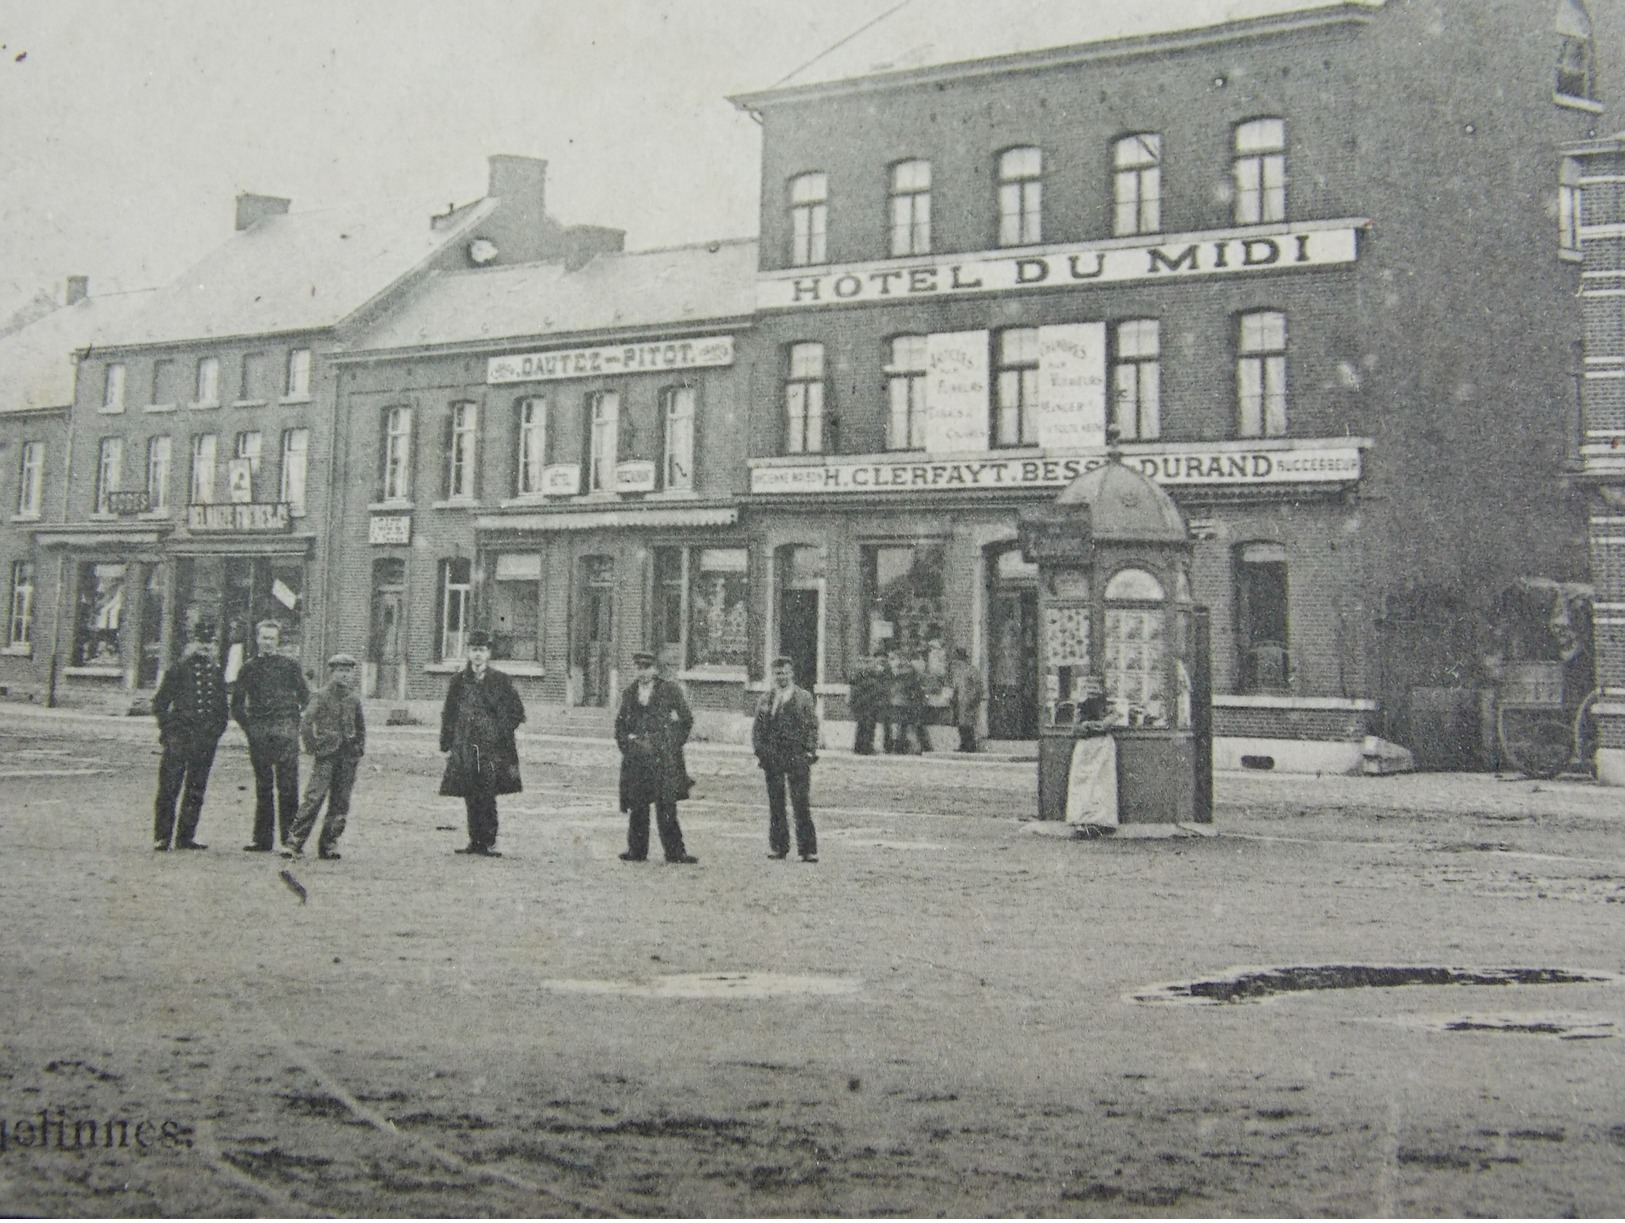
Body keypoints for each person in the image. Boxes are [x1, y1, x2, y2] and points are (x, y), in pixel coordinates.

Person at [438, 629, 526, 857]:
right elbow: (449, 713)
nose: (478, 655)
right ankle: (473, 840)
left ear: (489, 654)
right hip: (466, 746)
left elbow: (517, 712)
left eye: (482, 650)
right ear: (468, 653)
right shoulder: (459, 681)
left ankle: (488, 840)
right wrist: (447, 742)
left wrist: (499, 731)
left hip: (491, 749)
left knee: (487, 792)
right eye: (474, 650)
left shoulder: (501, 681)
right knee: (469, 791)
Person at [231, 620, 310, 852]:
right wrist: (251, 728)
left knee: (288, 786)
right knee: (263, 786)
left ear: (278, 641)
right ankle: (262, 840)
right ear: (257, 639)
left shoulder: (290, 666)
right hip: (260, 733)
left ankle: (290, 839)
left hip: (285, 731)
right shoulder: (248, 669)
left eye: (272, 639)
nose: (268, 643)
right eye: (264, 638)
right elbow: (236, 705)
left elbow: (305, 697)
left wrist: (293, 723)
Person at [151, 619, 229, 851]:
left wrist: (215, 732)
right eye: (201, 642)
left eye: (209, 642)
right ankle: (162, 836)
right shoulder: (179, 669)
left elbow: (222, 707)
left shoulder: (216, 672)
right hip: (180, 737)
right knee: (169, 787)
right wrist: (170, 730)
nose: (205, 647)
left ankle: (186, 836)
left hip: (204, 739)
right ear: (192, 643)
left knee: (196, 788)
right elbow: (160, 703)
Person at [614, 650, 698, 864]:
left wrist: (672, 743)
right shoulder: (630, 693)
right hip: (637, 758)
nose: (642, 672)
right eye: (639, 668)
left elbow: (686, 719)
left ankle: (675, 851)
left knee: (666, 804)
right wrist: (628, 746)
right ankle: (637, 850)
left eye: (647, 668)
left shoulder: (669, 690)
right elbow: (620, 725)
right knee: (638, 805)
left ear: (655, 669)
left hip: (663, 758)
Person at [283, 654, 364, 860]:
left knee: (340, 801)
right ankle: (294, 842)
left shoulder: (353, 699)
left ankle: (329, 844)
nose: (344, 675)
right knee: (314, 797)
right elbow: (306, 724)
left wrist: (358, 749)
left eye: (348, 671)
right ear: (332, 672)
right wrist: (313, 747)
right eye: (340, 671)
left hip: (347, 757)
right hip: (326, 755)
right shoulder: (320, 696)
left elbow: (360, 728)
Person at [754, 655, 819, 862]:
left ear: (792, 674)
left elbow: (812, 726)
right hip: (773, 756)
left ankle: (807, 849)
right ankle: (779, 846)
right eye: (778, 673)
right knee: (776, 803)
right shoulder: (766, 699)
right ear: (773, 675)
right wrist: (761, 751)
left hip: (797, 755)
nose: (781, 677)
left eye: (785, 672)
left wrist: (809, 750)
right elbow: (758, 728)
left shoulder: (804, 698)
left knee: (800, 802)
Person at [949, 646, 985, 753]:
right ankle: (963, 744)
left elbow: (978, 686)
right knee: (960, 724)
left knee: (967, 724)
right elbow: (956, 687)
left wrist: (972, 698)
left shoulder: (971, 670)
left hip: (968, 701)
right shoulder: (957, 672)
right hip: (960, 701)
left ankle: (970, 745)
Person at [849, 653, 884, 755]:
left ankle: (860, 747)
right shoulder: (869, 678)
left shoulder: (858, 675)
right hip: (867, 705)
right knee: (868, 727)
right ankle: (866, 747)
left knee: (862, 726)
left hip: (863, 704)